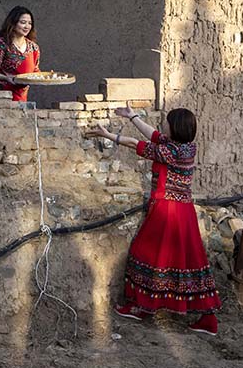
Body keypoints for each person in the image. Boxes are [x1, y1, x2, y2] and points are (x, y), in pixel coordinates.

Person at [85, 105, 222, 335]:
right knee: (190, 260)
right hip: (183, 212)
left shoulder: (171, 153)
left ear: (175, 127)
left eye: (167, 122)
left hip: (167, 211)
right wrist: (133, 116)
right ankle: (208, 319)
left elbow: (136, 144)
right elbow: (154, 136)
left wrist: (108, 136)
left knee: (145, 253)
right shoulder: (186, 148)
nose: (164, 125)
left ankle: (141, 306)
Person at [0, 6, 40, 103]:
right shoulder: (0, 44)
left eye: (30, 23)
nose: (27, 26)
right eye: (23, 23)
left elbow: (35, 70)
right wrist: (6, 78)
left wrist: (44, 77)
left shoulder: (33, 48)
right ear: (13, 24)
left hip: (20, 99)